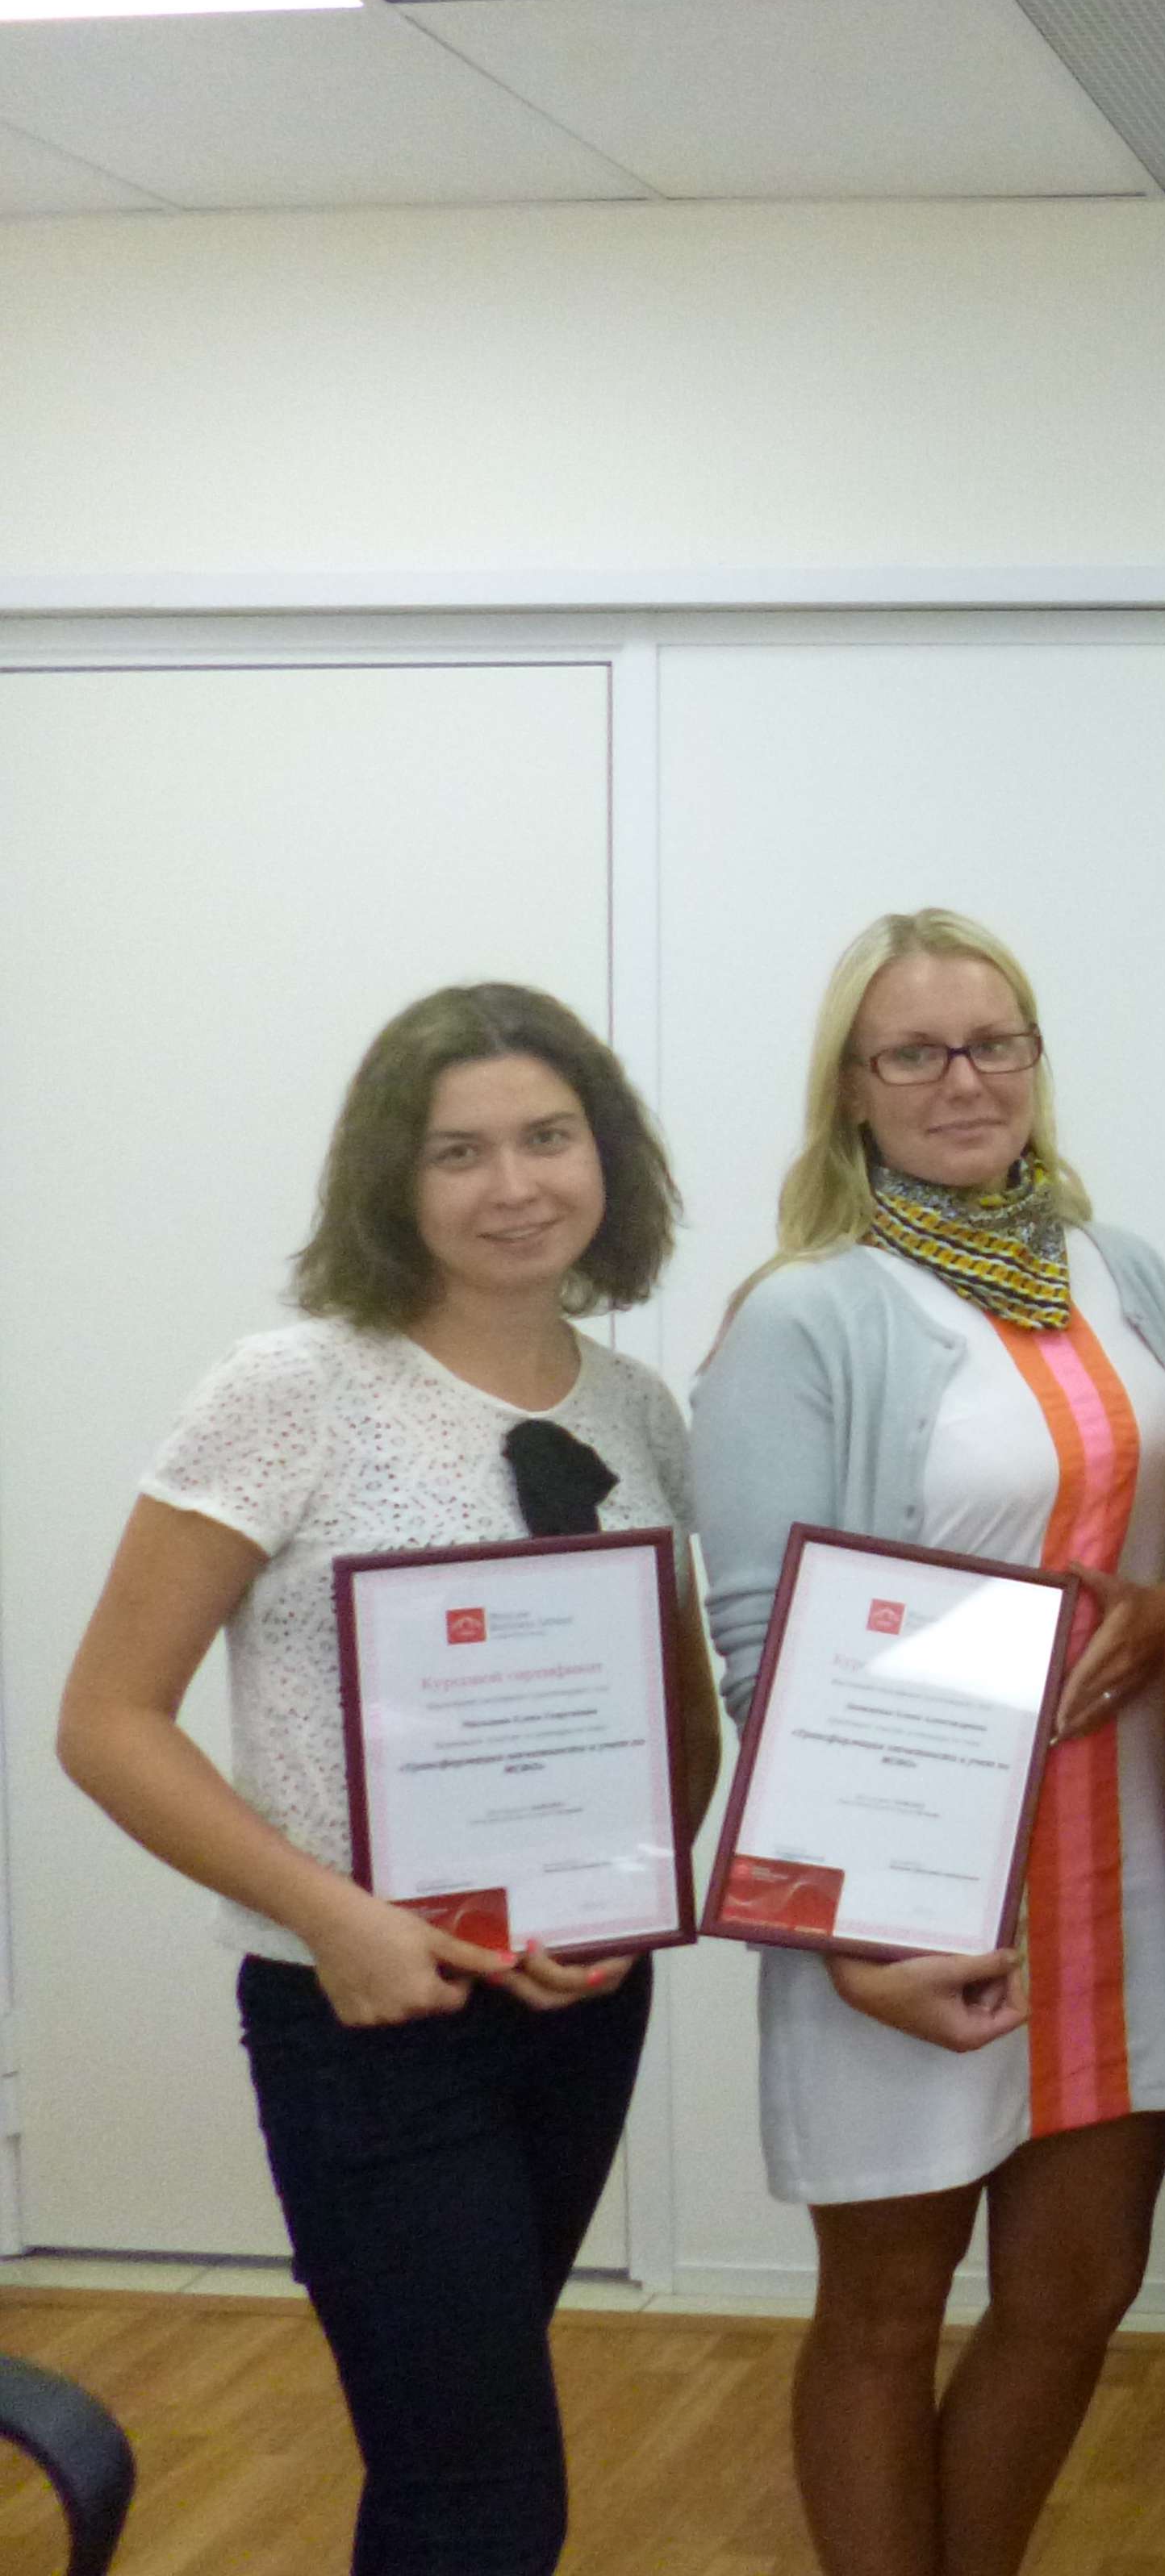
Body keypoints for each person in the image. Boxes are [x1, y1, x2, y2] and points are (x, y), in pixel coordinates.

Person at [58, 982, 717, 2576]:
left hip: (578, 2006)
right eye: (458, 1152)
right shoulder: (291, 1391)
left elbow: (676, 1713)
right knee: (480, 2486)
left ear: (607, 1155)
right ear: (390, 1180)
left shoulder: (637, 1408)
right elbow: (108, 1720)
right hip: (369, 2020)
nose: (516, 1186)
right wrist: (335, 1919)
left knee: (454, 2453)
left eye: (549, 1137)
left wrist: (623, 1891)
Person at [692, 909, 1165, 2576]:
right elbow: (759, 1639)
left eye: (995, 1043)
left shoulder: (1122, 1272)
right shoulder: (806, 1314)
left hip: (1112, 1873)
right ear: (850, 1087)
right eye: (913, 1052)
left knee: (1079, 2289)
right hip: (907, 1893)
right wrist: (854, 1934)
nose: (963, 1080)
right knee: (885, 2310)